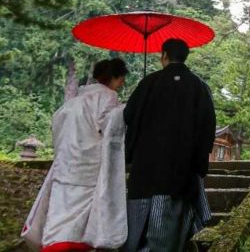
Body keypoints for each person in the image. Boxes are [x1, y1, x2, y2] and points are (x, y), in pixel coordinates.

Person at [22, 58, 130, 251]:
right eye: (121, 78)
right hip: (88, 170)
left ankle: (52, 245)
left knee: (58, 216)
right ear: (114, 77)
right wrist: (127, 110)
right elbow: (111, 127)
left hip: (65, 166)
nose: (122, 83)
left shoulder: (74, 102)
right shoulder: (108, 97)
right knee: (81, 223)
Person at [123, 38, 215, 251]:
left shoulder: (149, 82)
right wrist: (199, 165)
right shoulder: (199, 86)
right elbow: (207, 126)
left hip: (146, 168)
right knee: (172, 226)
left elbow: (129, 115)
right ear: (186, 56)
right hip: (181, 170)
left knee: (139, 223)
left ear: (163, 55)